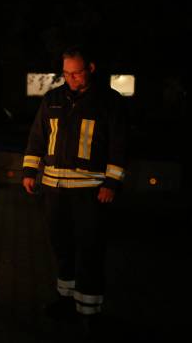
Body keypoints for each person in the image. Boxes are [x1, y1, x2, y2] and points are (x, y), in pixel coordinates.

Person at [22, 46, 127, 331]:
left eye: (77, 73)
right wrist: (30, 171)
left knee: (90, 249)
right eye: (66, 74)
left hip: (90, 191)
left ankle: (89, 311)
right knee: (62, 247)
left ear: (90, 68)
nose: (71, 79)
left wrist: (111, 182)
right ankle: (66, 301)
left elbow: (119, 146)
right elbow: (37, 137)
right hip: (55, 189)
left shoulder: (109, 102)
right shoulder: (53, 99)